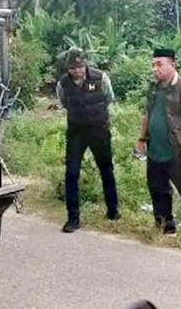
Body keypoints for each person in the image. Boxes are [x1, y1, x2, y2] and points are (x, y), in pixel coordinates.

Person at [134, 48, 181, 240]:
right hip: (155, 149)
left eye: (159, 64)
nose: (154, 69)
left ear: (172, 65)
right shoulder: (154, 88)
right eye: (153, 64)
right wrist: (142, 139)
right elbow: (147, 114)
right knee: (157, 188)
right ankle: (166, 226)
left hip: (177, 150)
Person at [56, 47, 119, 233]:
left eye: (80, 66)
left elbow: (109, 99)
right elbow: (64, 103)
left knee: (106, 169)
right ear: (68, 68)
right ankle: (73, 218)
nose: (77, 71)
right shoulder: (63, 84)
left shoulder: (101, 78)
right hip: (76, 132)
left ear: (86, 65)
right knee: (72, 173)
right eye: (73, 68)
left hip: (99, 130)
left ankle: (113, 211)